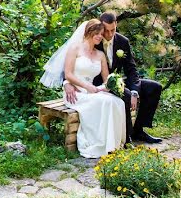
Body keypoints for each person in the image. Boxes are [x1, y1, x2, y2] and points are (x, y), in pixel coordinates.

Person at [63, 12, 163, 144]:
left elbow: (131, 69)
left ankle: (138, 130)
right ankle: (127, 136)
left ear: (116, 25)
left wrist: (135, 90)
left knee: (154, 87)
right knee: (125, 95)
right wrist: (66, 83)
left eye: (113, 30)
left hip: (115, 81)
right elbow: (68, 69)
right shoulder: (93, 40)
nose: (109, 35)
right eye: (106, 31)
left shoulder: (122, 42)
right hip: (97, 86)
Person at [42, 19, 126, 158]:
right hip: (75, 93)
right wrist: (86, 86)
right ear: (88, 32)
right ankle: (99, 143)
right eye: (97, 33)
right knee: (105, 102)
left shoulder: (100, 55)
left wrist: (111, 84)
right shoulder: (75, 49)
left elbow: (106, 79)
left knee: (117, 102)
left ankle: (112, 144)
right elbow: (68, 73)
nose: (100, 36)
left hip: (93, 91)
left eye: (101, 34)